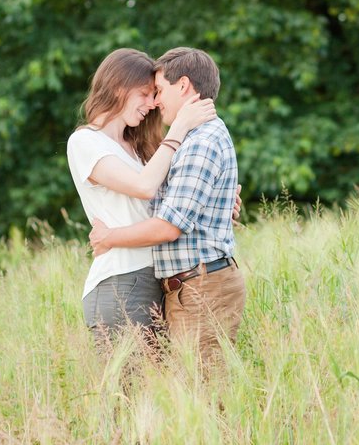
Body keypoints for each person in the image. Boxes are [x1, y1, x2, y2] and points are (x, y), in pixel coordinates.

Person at [89, 47, 245, 373]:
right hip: (189, 286)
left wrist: (110, 237)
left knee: (203, 394)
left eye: (158, 91)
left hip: (202, 286)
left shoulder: (200, 140)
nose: (156, 102)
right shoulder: (190, 139)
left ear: (184, 86)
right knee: (188, 391)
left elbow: (169, 226)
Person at [66, 47, 218, 348]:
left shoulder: (136, 148)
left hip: (155, 280)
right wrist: (181, 126)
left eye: (155, 94)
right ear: (119, 87)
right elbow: (144, 187)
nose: (152, 104)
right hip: (121, 281)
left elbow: (170, 203)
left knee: (159, 391)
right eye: (145, 94)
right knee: (132, 392)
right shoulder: (85, 141)